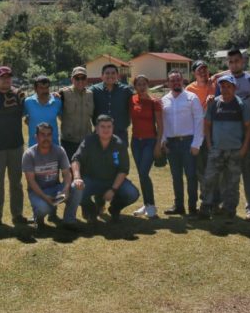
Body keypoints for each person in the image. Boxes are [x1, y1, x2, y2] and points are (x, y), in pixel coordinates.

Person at [211, 48, 250, 221]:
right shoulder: (222, 82)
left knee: (248, 173)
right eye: (230, 62)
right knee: (227, 174)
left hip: (247, 133)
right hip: (228, 136)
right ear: (228, 63)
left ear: (243, 61)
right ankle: (227, 205)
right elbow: (217, 106)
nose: (234, 64)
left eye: (237, 61)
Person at [200, 76, 250, 221]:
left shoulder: (241, 104)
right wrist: (209, 144)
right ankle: (206, 206)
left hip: (235, 150)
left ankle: (229, 210)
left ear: (235, 88)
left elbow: (248, 128)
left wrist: (244, 148)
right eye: (223, 86)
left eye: (229, 86)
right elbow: (207, 125)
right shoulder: (214, 103)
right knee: (209, 179)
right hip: (216, 149)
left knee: (232, 183)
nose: (226, 89)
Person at [0, 66, 29, 226]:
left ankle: (17, 214)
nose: (6, 80)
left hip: (16, 145)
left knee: (16, 182)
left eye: (8, 77)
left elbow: (28, 111)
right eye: (2, 77)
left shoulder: (19, 95)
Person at [72, 115, 140, 223]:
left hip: (112, 181)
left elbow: (123, 170)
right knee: (74, 189)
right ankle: (91, 209)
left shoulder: (119, 144)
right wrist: (77, 178)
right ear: (96, 128)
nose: (106, 129)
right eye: (102, 126)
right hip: (91, 180)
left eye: (109, 126)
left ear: (113, 128)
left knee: (132, 193)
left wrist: (113, 189)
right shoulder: (88, 141)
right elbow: (76, 159)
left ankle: (115, 209)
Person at [22, 123, 83, 230]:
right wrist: (45, 197)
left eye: (49, 135)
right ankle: (38, 218)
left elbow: (67, 173)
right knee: (43, 208)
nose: (46, 138)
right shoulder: (29, 154)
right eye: (42, 134)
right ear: (36, 137)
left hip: (56, 189)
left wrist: (65, 189)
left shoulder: (59, 151)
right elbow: (31, 181)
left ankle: (69, 220)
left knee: (77, 187)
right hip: (38, 192)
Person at [160, 70, 204, 217]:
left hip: (188, 142)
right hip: (171, 144)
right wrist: (163, 141)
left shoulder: (192, 98)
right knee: (176, 176)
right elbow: (162, 123)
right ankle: (179, 206)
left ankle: (192, 207)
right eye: (172, 80)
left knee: (191, 176)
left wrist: (196, 143)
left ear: (182, 81)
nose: (175, 83)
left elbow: (199, 120)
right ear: (168, 83)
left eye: (178, 80)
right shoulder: (164, 100)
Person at [129, 74, 163, 219]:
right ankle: (146, 204)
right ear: (135, 86)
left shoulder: (155, 102)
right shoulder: (131, 100)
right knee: (142, 175)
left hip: (150, 142)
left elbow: (160, 126)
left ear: (148, 85)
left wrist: (158, 144)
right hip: (136, 142)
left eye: (144, 84)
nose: (142, 87)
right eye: (139, 84)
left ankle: (151, 206)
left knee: (143, 173)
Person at [185, 60, 213, 203]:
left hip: (214, 133)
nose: (203, 72)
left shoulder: (215, 84)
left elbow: (233, 72)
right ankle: (205, 199)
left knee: (215, 168)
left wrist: (216, 76)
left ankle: (215, 200)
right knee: (201, 168)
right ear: (194, 73)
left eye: (205, 69)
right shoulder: (189, 89)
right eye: (199, 70)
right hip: (198, 134)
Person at [90, 63, 134, 145]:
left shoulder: (126, 90)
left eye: (113, 73)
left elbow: (138, 100)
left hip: (120, 133)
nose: (110, 75)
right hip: (100, 133)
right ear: (102, 76)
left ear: (118, 75)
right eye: (107, 73)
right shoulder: (94, 90)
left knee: (119, 154)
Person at [58, 66, 94, 160]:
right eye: (77, 78)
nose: (80, 81)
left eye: (83, 78)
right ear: (72, 79)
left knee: (86, 167)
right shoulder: (63, 93)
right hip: (68, 141)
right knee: (69, 167)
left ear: (86, 79)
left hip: (86, 140)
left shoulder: (91, 94)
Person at [24, 75, 62, 146]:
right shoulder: (28, 102)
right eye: (41, 88)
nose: (45, 91)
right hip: (34, 146)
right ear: (35, 89)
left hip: (53, 145)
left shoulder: (57, 101)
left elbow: (64, 118)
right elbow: (23, 118)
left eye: (46, 87)